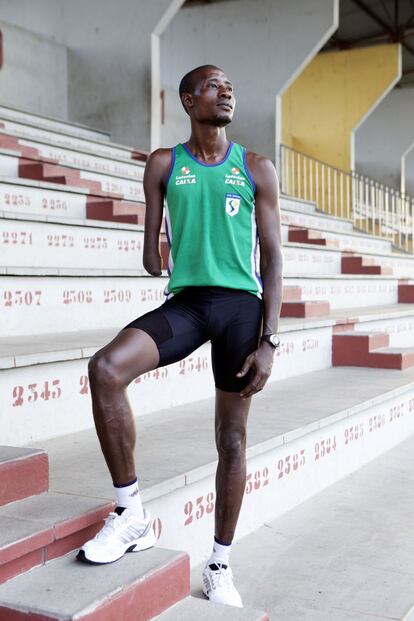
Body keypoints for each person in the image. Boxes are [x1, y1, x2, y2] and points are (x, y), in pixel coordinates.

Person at [77, 64, 283, 609]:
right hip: (189, 305)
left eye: (230, 85)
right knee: (105, 369)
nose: (227, 90)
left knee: (232, 440)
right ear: (189, 101)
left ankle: (219, 563)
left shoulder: (257, 167)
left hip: (242, 309)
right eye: (214, 85)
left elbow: (274, 256)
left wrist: (270, 340)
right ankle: (131, 514)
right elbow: (152, 259)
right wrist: (161, 237)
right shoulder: (165, 164)